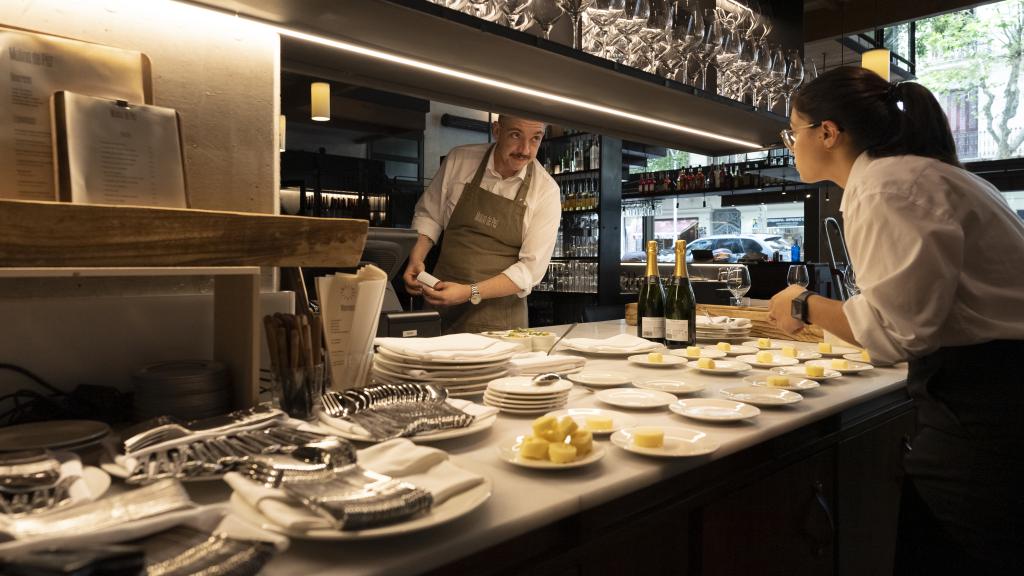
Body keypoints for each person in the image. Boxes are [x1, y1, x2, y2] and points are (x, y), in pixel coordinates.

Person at [765, 66, 1024, 575]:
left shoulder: (888, 187)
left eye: (792, 132)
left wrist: (802, 305)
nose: (790, 146)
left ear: (828, 132)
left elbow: (897, 333)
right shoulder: (917, 175)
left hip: (988, 409)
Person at [403, 115, 560, 333]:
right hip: (439, 305)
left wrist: (469, 292)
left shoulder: (545, 190)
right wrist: (416, 259)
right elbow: (429, 215)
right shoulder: (460, 160)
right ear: (497, 131)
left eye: (535, 138)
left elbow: (529, 271)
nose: (525, 149)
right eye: (516, 135)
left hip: (499, 323)